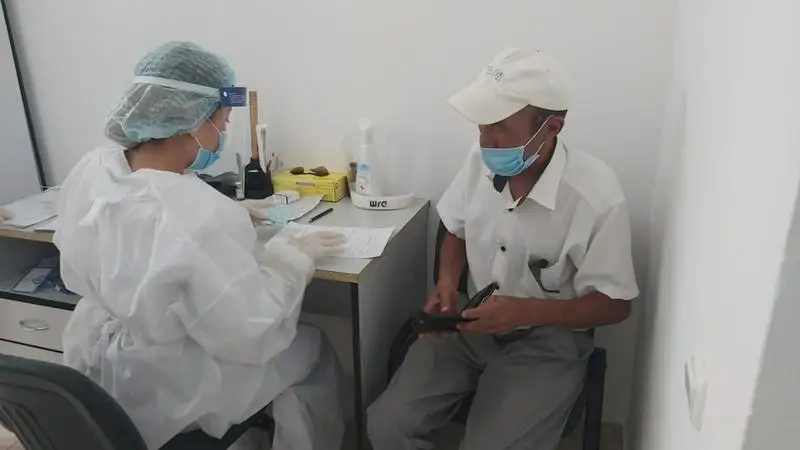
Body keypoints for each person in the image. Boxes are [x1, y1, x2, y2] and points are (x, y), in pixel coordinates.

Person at [54, 41, 345, 450]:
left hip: (94, 363)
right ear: (192, 119)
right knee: (313, 349)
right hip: (168, 385)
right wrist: (295, 256)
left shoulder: (95, 168)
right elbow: (251, 331)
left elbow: (139, 226)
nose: (224, 131)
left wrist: (230, 214)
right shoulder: (197, 214)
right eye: (223, 120)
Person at [367, 48, 639, 450]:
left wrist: (527, 312)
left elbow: (615, 305)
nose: (486, 140)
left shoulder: (596, 197)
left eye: (500, 127)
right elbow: (454, 229)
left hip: (547, 340)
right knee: (386, 426)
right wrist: (446, 284)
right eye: (482, 125)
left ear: (552, 127)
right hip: (469, 321)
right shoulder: (480, 161)